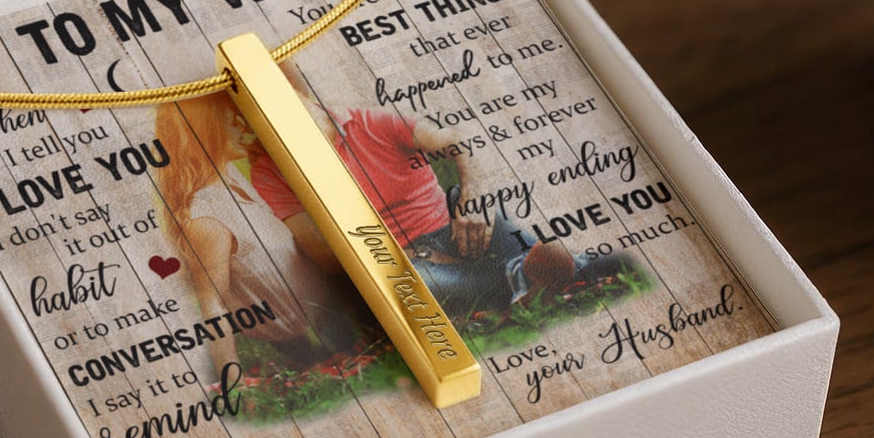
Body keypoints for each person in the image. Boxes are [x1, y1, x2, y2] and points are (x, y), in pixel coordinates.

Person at [250, 63, 623, 324]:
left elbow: (462, 142)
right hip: (400, 258)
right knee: (416, 286)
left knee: (480, 202)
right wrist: (402, 254)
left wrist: (471, 201)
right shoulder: (268, 171)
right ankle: (529, 276)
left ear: (306, 98)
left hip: (453, 223)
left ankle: (526, 275)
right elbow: (327, 255)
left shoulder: (368, 120)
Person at [154, 93, 361, 381]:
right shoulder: (206, 219)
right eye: (232, 123)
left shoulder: (233, 178)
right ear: (207, 136)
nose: (243, 128)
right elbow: (212, 303)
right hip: (310, 334)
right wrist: (232, 377)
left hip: (333, 304)